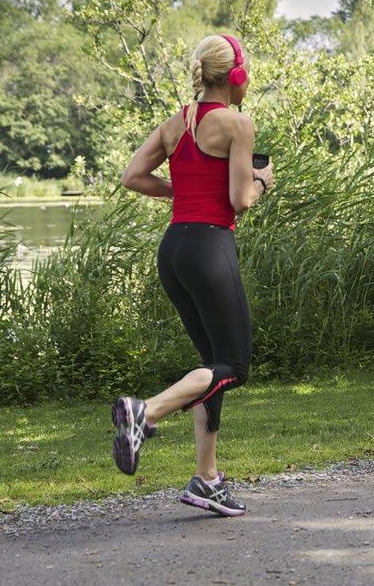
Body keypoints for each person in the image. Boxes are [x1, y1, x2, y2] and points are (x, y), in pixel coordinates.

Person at [114, 32, 275, 517]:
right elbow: (240, 201)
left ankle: (207, 480)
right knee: (235, 367)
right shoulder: (237, 123)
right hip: (209, 247)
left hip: (175, 249)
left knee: (211, 366)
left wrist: (181, 194)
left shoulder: (174, 123)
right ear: (238, 76)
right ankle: (145, 412)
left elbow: (132, 176)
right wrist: (263, 181)